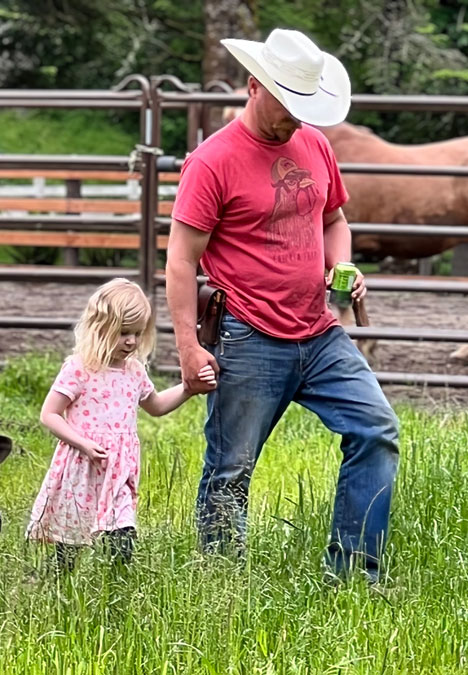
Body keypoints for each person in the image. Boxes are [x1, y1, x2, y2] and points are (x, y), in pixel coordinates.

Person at [165, 28, 399, 582]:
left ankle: (354, 574)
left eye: (304, 105)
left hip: (318, 332)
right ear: (253, 86)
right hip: (247, 335)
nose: (297, 116)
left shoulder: (315, 144)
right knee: (231, 469)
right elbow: (180, 262)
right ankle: (220, 586)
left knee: (376, 428)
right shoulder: (211, 162)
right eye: (288, 104)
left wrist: (342, 266)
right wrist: (187, 346)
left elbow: (334, 219)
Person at [26, 278, 215, 571]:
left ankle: (116, 590)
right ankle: (53, 587)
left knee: (122, 538)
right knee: (70, 546)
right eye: (123, 333)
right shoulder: (79, 369)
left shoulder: (134, 372)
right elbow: (49, 414)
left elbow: (156, 406)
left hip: (119, 470)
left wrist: (188, 389)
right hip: (82, 467)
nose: (131, 342)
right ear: (100, 329)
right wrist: (83, 443)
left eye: (137, 334)